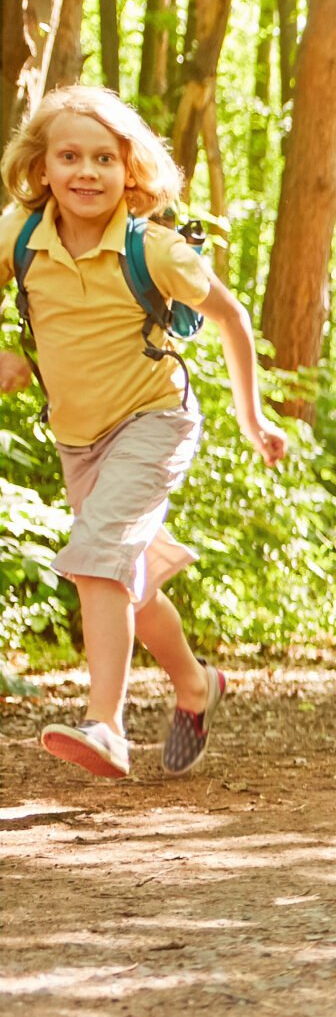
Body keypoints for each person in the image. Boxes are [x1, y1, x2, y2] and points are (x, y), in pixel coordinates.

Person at [0, 85, 288, 780]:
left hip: (156, 422)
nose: (87, 172)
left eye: (104, 158)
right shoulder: (18, 234)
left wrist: (254, 418)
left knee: (97, 555)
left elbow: (232, 318)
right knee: (128, 580)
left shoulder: (154, 250)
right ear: (42, 168)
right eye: (70, 156)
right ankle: (195, 684)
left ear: (131, 171)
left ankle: (106, 725)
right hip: (78, 436)